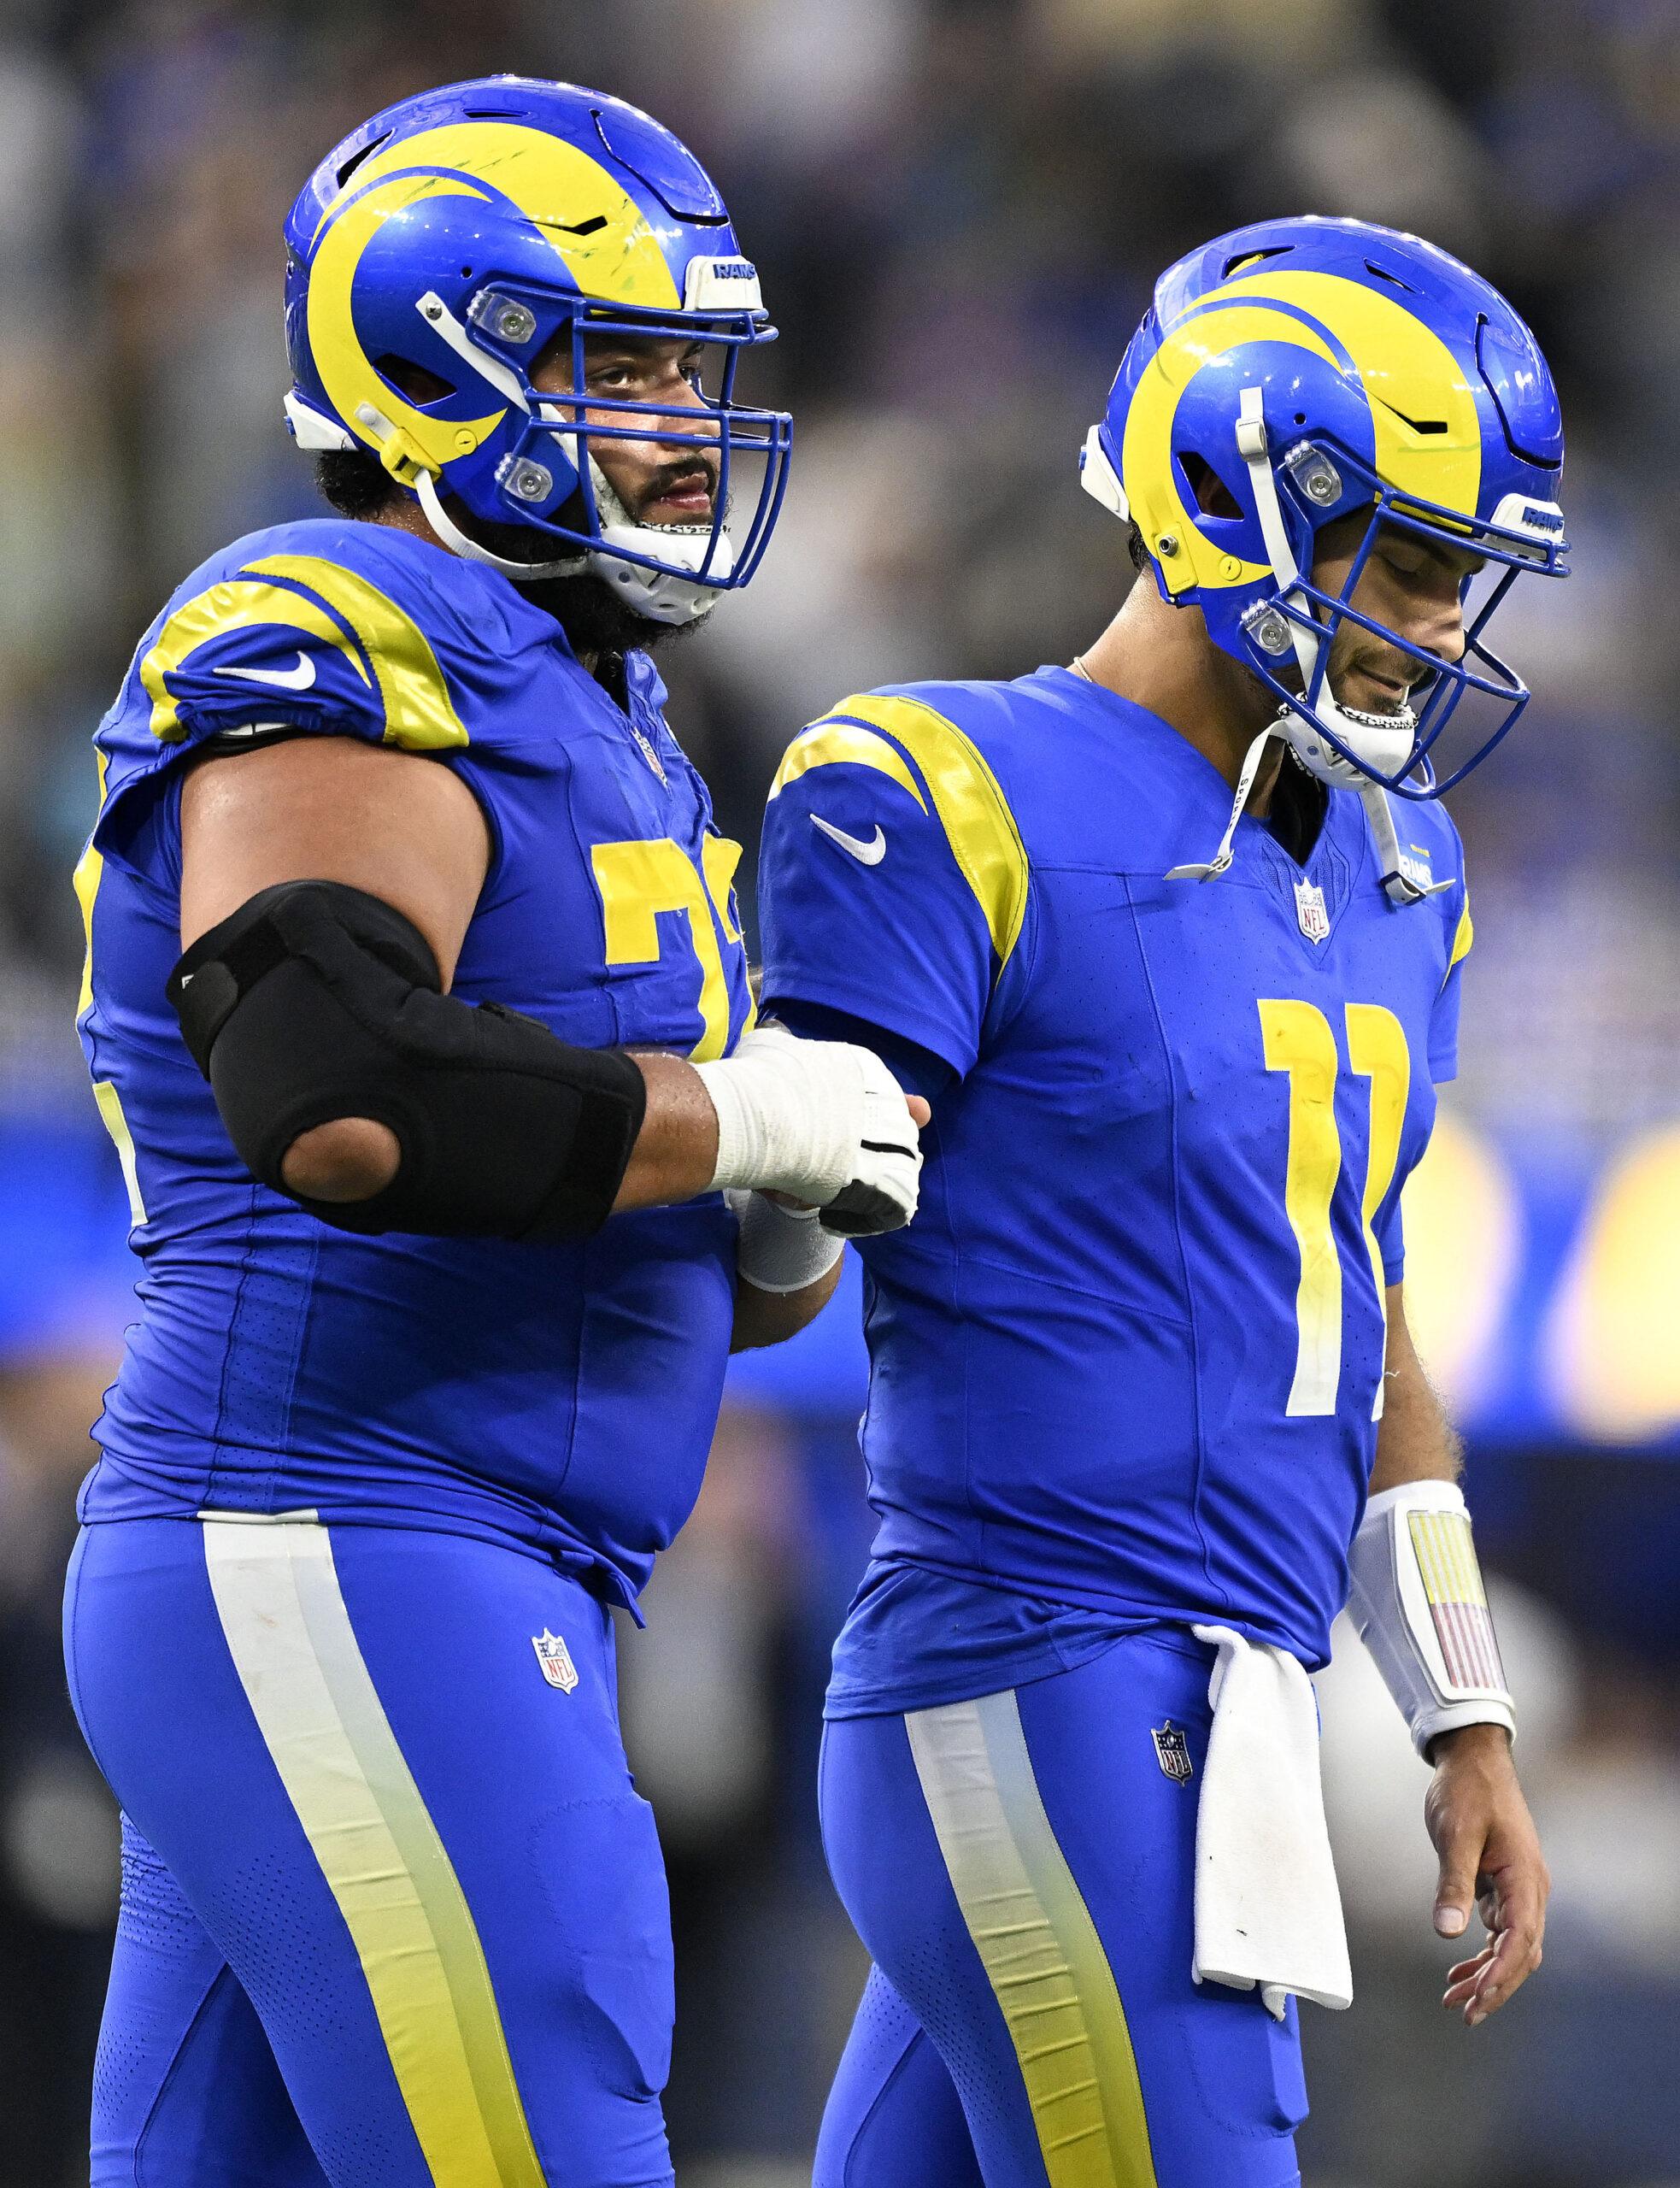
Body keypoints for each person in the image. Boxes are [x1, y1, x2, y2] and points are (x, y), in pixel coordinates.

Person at [65, 76, 924, 2188]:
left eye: (689, 371)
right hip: (340, 1538)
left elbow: (600, 1188)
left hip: (429, 1556)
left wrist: (779, 1196)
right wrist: (734, 1111)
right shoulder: (339, 620)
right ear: (428, 350)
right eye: (616, 363)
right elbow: (341, 1094)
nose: (673, 420)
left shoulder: (598, 701)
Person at [755, 217, 1565, 2188]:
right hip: (1035, 1651)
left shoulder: (1397, 862)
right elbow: (770, 1246)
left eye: (1466, 576)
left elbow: (1351, 1302)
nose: (1441, 627)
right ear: (1220, 485)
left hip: (1221, 1689)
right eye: (1410, 556)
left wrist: (1460, 1708)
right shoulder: (938, 780)